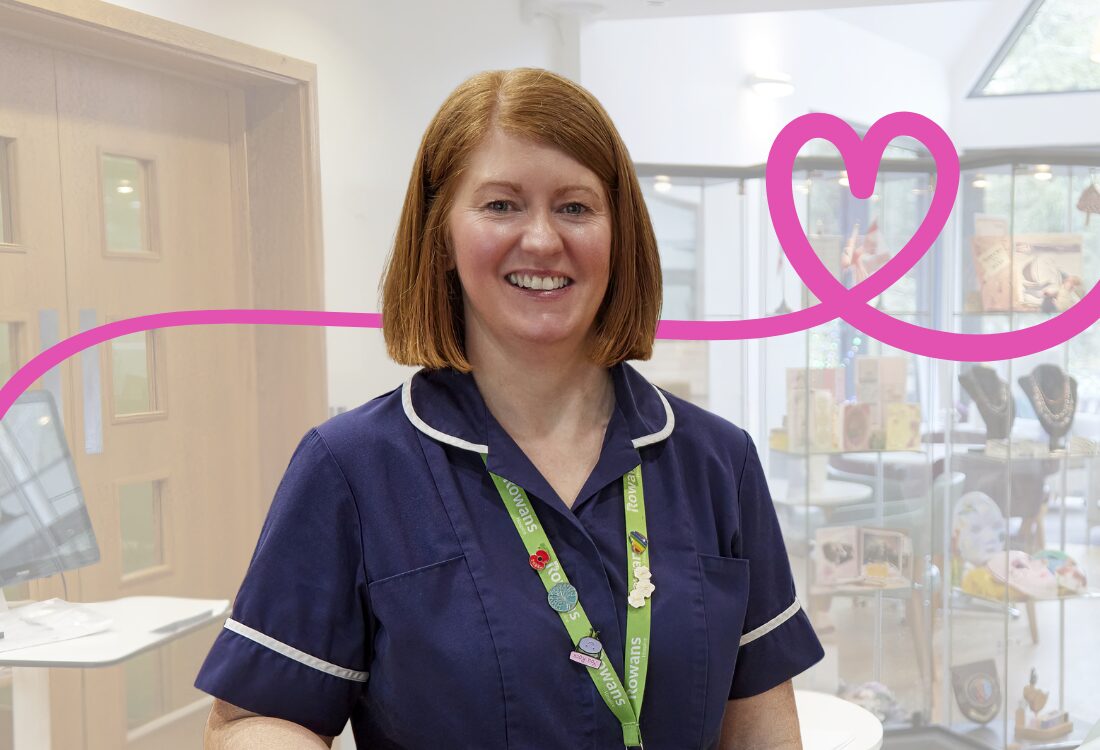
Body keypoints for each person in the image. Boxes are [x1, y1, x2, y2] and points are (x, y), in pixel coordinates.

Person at [196, 67, 824, 749]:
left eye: (576, 207)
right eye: (501, 205)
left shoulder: (717, 463)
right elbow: (255, 718)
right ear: (441, 236)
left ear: (619, 235)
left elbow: (759, 719)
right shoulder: (351, 469)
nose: (543, 240)